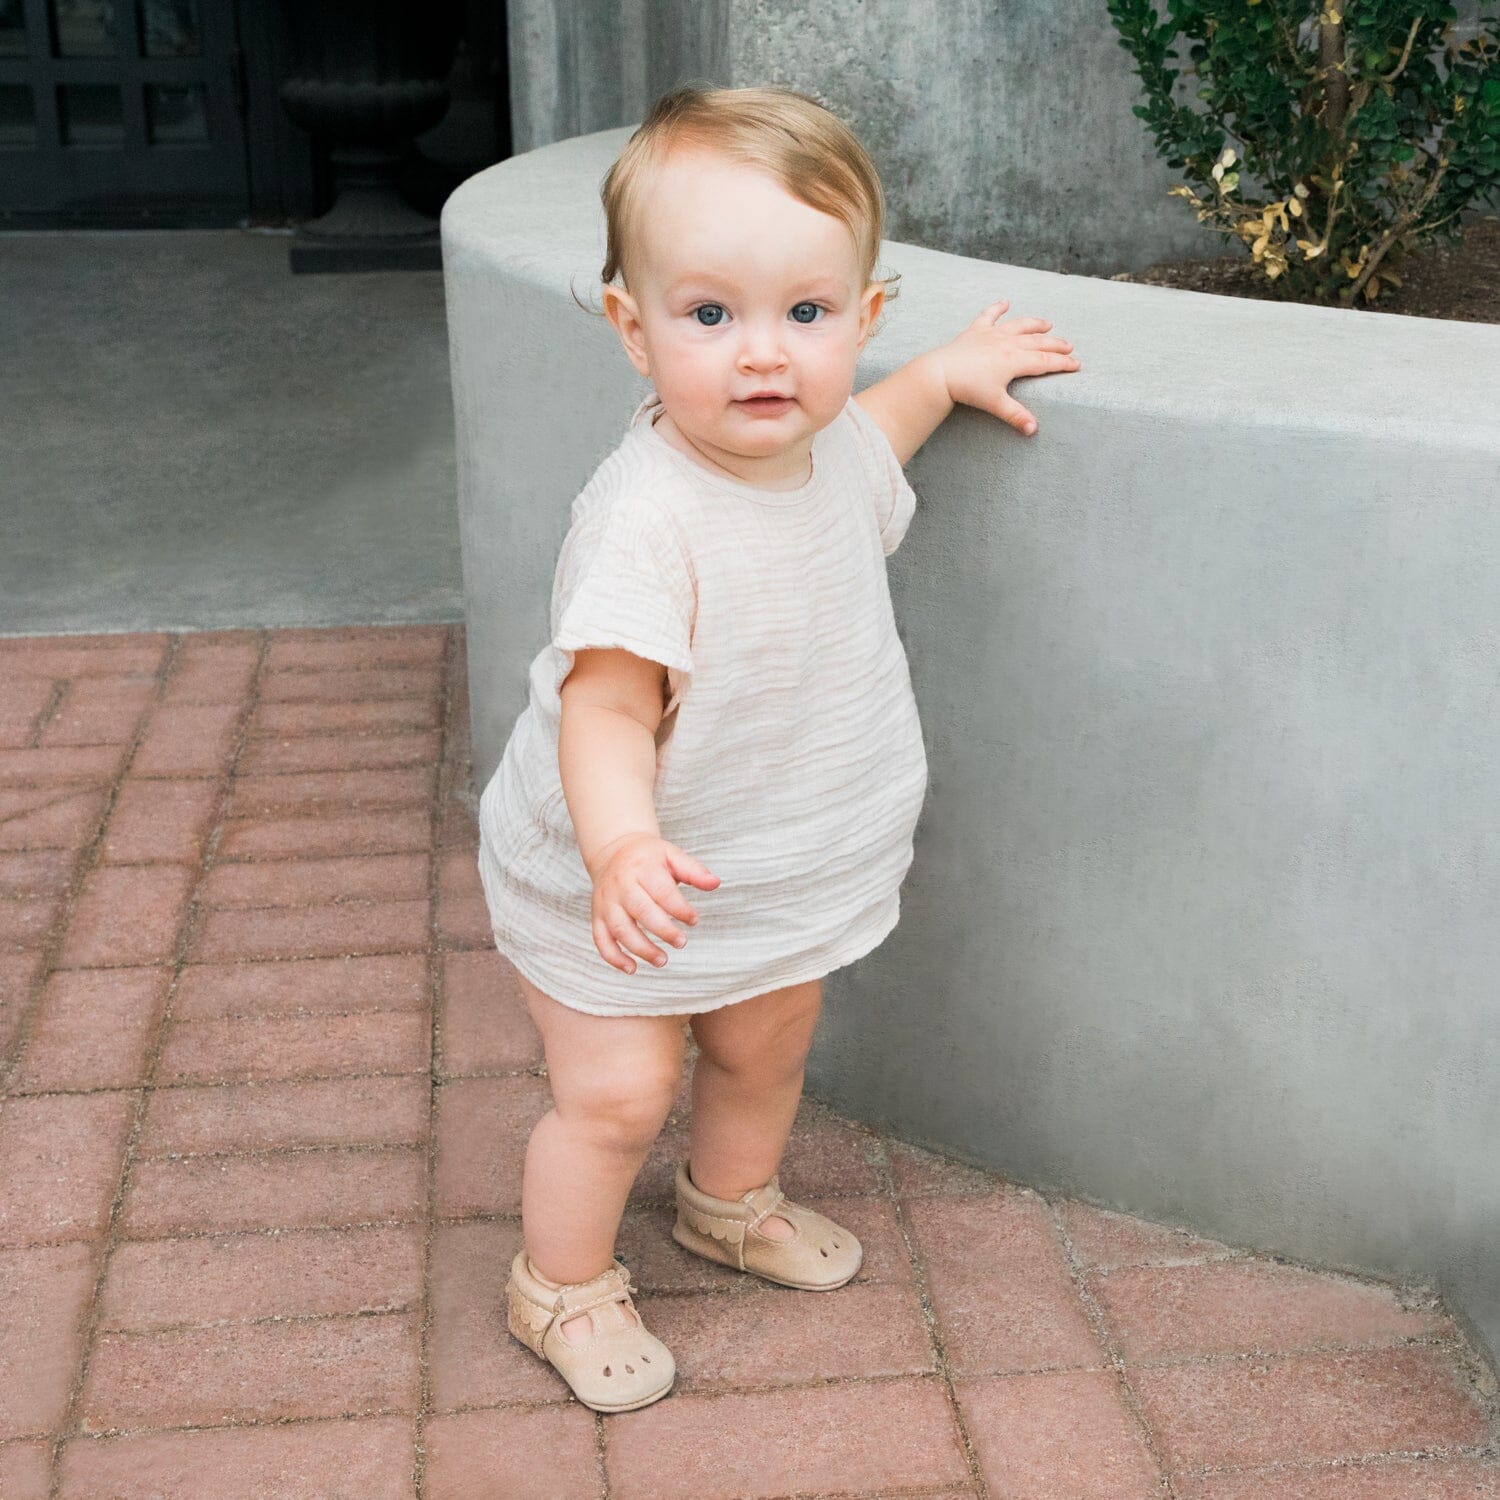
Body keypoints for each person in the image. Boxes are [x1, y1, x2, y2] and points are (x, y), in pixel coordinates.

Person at [486, 83, 1081, 1413]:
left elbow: (879, 431)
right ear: (633, 332)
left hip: (765, 867)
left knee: (767, 1041)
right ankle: (561, 1285)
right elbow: (607, 707)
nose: (764, 354)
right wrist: (620, 846)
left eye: (805, 315)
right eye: (710, 315)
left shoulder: (827, 454)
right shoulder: (649, 517)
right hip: (613, 883)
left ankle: (727, 1201)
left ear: (861, 322)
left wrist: (943, 371)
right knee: (621, 1092)